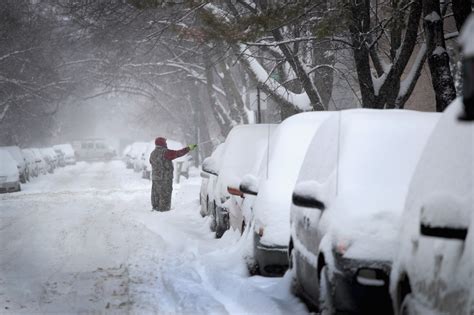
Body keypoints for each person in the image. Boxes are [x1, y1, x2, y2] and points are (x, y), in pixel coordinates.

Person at [149, 137, 197, 211]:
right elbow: (178, 153)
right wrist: (189, 148)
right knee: (165, 194)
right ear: (162, 143)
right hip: (165, 178)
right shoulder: (165, 152)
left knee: (156, 193)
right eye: (165, 142)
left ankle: (155, 207)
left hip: (155, 178)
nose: (166, 143)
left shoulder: (153, 153)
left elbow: (151, 163)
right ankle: (164, 209)